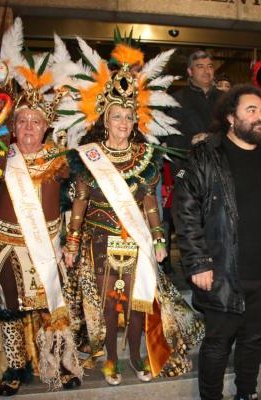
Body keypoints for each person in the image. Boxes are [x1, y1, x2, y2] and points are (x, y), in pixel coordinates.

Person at [59, 39, 203, 386]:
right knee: (109, 304)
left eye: (128, 116)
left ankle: (137, 354)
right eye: (116, 116)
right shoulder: (87, 157)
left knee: (139, 302)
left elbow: (150, 204)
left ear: (134, 119)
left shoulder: (145, 156)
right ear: (105, 119)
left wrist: (158, 239)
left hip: (135, 240)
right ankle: (110, 359)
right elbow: (78, 203)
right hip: (98, 239)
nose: (123, 122)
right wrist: (72, 243)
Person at [0, 34, 83, 395]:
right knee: (10, 310)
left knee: (52, 310)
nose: (28, 127)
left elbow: (80, 196)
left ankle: (60, 365)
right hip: (4, 247)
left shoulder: (62, 161)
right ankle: (15, 367)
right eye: (22, 122)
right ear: (12, 127)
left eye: (35, 122)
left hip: (47, 244)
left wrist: (73, 238)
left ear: (47, 127)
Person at [173, 84, 261, 400]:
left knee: (253, 340)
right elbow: (185, 211)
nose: (260, 116)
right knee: (218, 342)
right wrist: (197, 262)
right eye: (251, 110)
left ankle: (246, 393)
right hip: (221, 270)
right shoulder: (206, 155)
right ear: (230, 118)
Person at [165, 50, 222, 163]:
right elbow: (172, 139)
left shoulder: (226, 99)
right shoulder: (176, 100)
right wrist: (192, 141)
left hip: (222, 164)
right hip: (190, 165)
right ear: (190, 71)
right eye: (200, 67)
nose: (206, 71)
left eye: (210, 66)